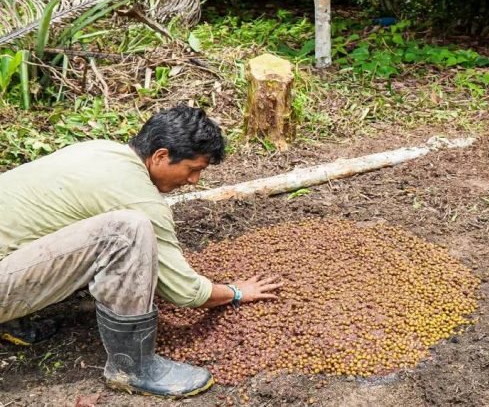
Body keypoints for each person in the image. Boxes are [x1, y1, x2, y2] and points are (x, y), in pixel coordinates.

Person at [0, 105, 283, 397]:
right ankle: (132, 367)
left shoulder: (101, 149)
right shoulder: (139, 197)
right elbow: (186, 293)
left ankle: (13, 318)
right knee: (128, 231)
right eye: (194, 169)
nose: (194, 181)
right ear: (160, 156)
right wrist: (235, 292)